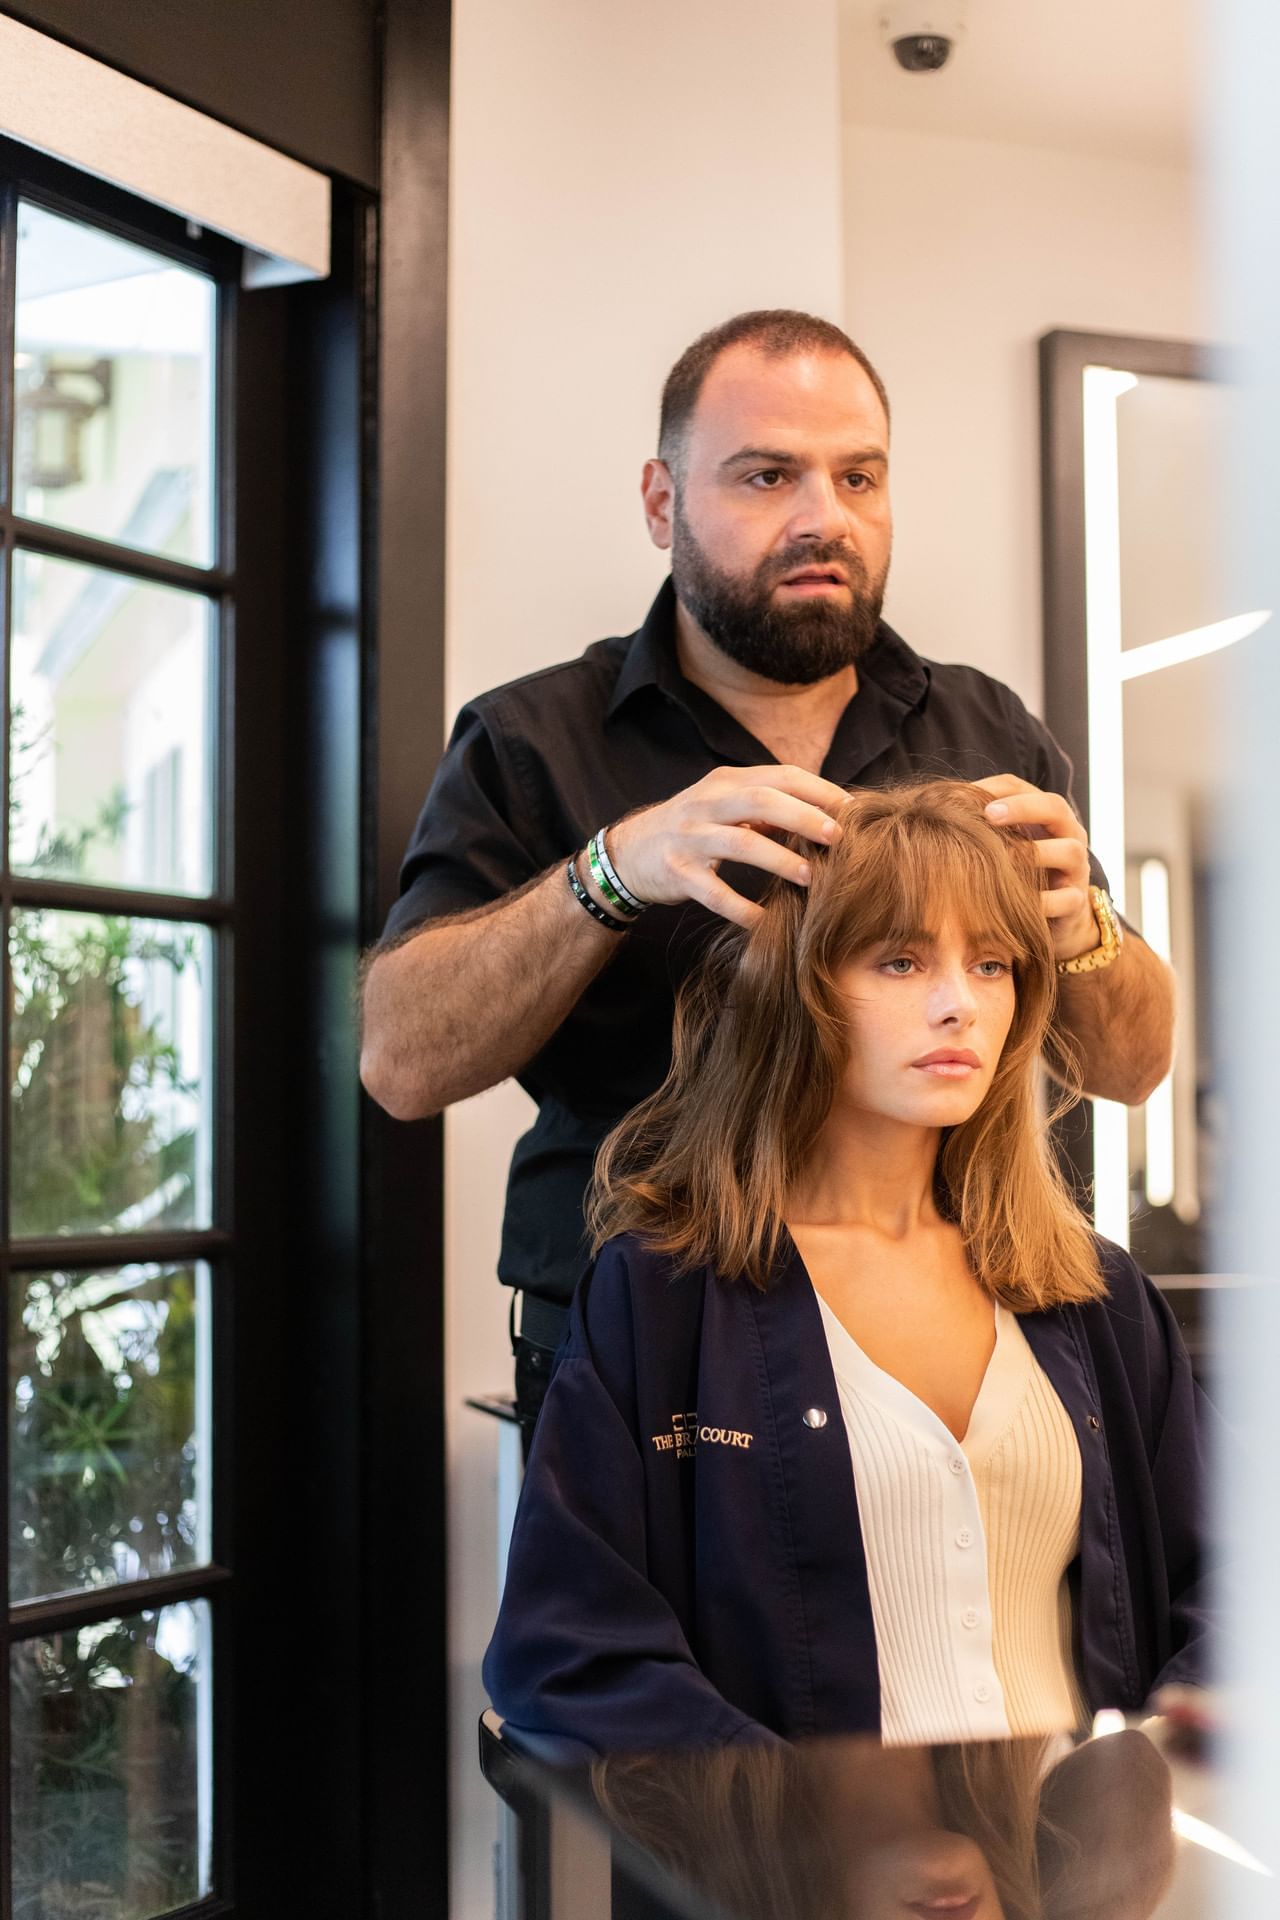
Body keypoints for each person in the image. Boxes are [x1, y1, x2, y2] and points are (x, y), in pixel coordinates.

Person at [359, 309, 1175, 1438]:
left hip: (949, 1336)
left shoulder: (988, 730)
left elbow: (1132, 1066)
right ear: (661, 502)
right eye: (765, 476)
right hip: (636, 1352)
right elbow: (400, 1059)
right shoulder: (531, 741)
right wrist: (612, 872)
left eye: (857, 477)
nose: (820, 518)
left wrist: (1076, 922)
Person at [483, 782, 1210, 1755]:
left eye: (990, 964)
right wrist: (813, 1846)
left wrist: (1145, 1783)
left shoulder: (1095, 1297)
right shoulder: (662, 1297)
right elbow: (565, 1658)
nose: (958, 1004)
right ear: (797, 983)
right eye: (900, 960)